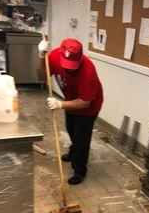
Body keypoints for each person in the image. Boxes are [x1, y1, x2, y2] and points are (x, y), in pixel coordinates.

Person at [37, 38, 103, 185]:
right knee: (71, 129)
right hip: (71, 100)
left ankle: (79, 170)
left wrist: (60, 104)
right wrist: (42, 57)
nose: (69, 69)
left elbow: (84, 103)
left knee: (81, 139)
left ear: (80, 58)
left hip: (88, 106)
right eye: (66, 65)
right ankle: (74, 153)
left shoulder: (88, 72)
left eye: (73, 66)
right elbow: (41, 77)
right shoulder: (54, 56)